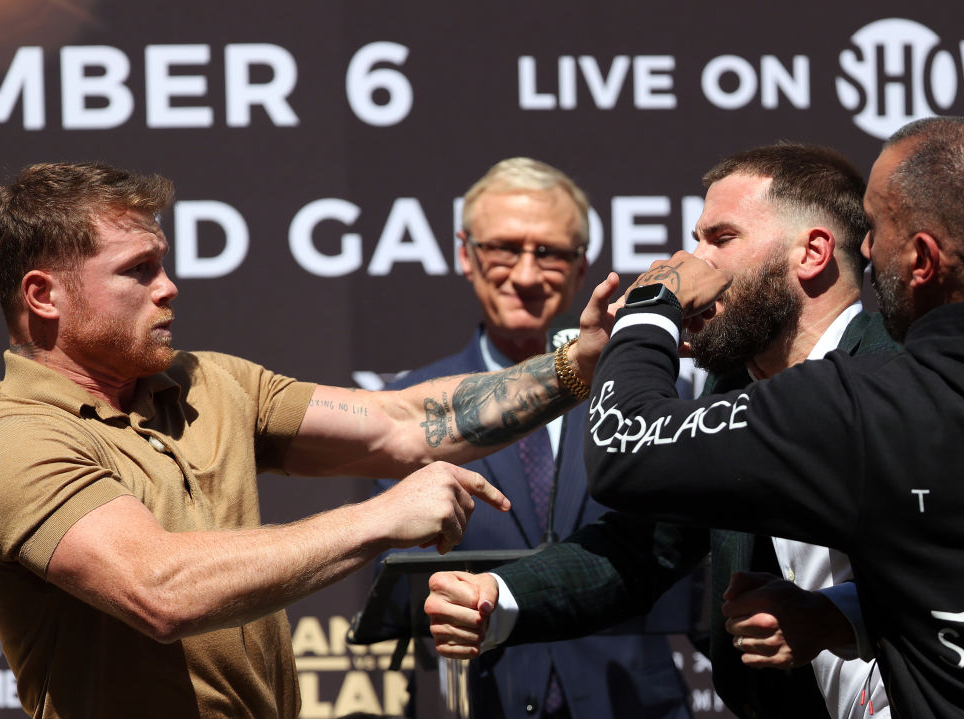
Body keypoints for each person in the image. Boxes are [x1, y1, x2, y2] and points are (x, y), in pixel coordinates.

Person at [0, 161, 623, 719]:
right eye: (139, 270)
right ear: (43, 295)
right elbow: (157, 588)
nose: (169, 286)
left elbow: (405, 423)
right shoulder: (13, 441)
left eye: (164, 264)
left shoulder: (209, 383)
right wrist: (379, 518)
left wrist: (573, 367)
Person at [425, 143, 896, 718]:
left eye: (720, 239)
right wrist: (498, 597)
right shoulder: (731, 390)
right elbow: (644, 546)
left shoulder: (902, 374)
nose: (689, 262)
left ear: (812, 252)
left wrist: (835, 617)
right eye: (695, 240)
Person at [568, 118, 964, 718]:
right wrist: (841, 616)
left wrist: (652, 309)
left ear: (923, 259)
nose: (867, 248)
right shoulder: (822, 394)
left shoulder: (866, 399)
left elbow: (625, 447)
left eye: (720, 238)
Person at [377, 158, 695, 719]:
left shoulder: (646, 392)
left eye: (549, 252)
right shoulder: (411, 409)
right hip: (481, 703)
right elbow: (406, 576)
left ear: (582, 267)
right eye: (503, 248)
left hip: (632, 703)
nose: (525, 275)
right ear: (465, 253)